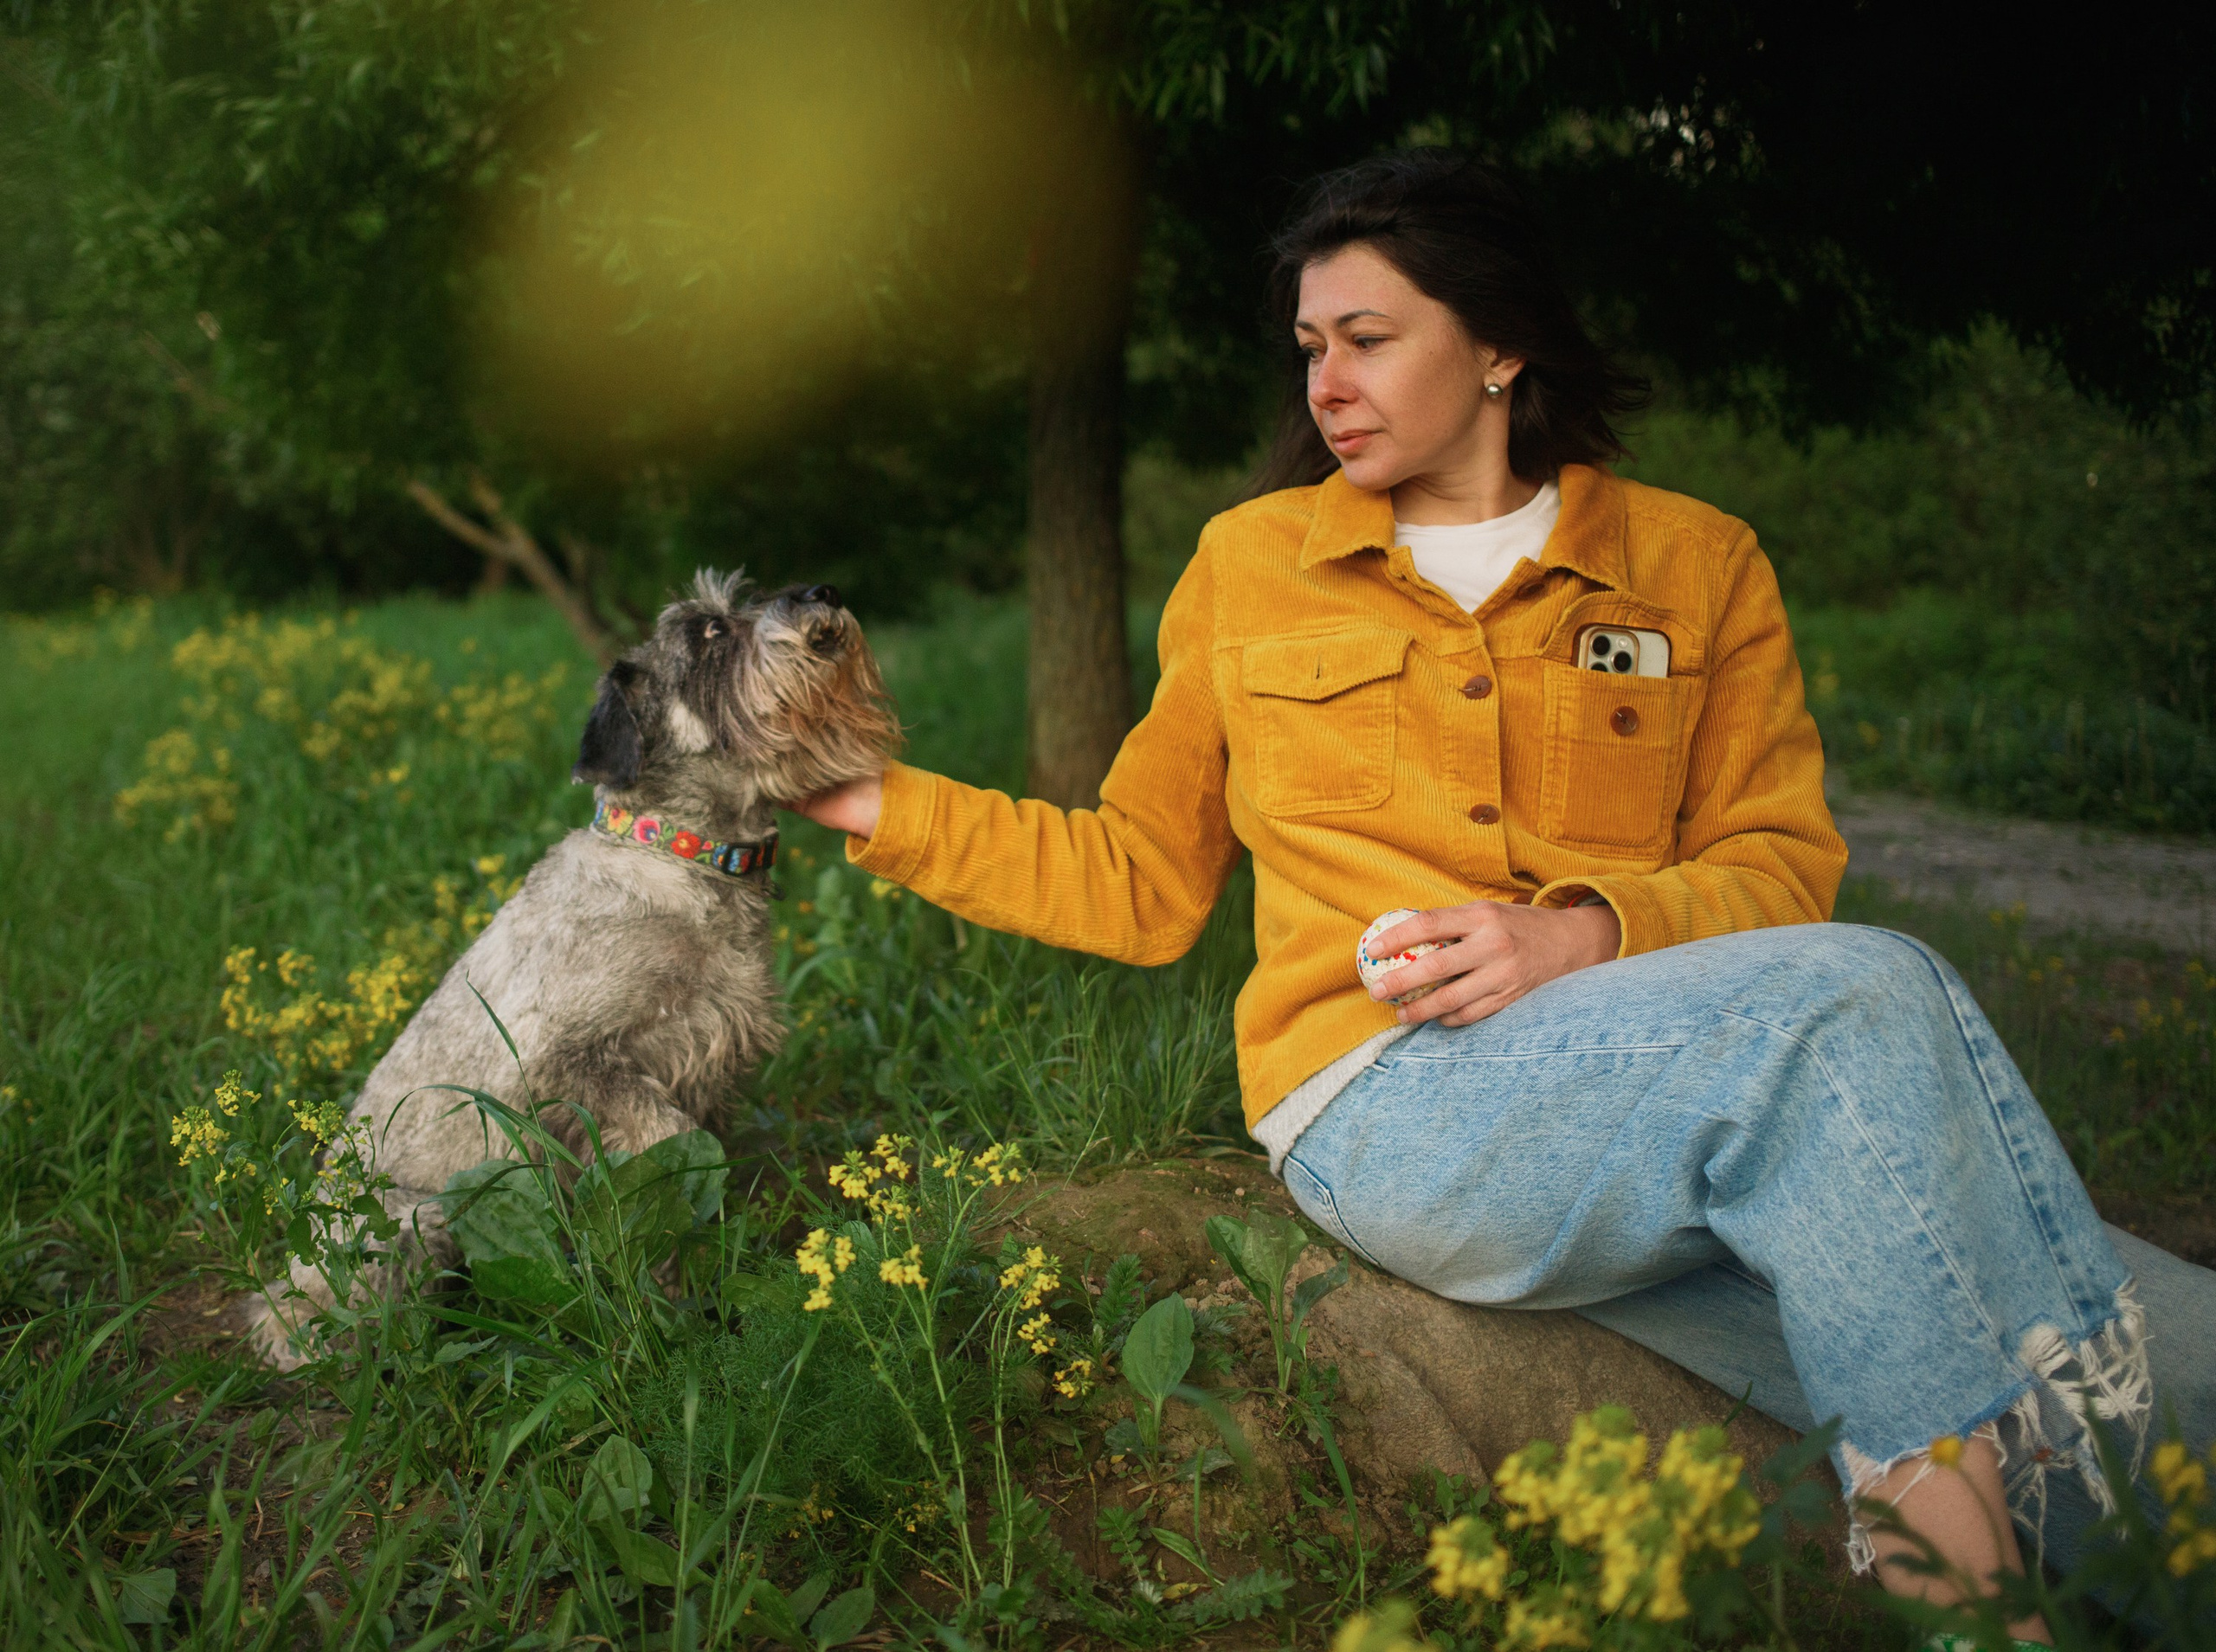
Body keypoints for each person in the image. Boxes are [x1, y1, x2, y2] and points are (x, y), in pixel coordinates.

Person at [792, 150, 2210, 1637]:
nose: (1326, 379)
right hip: (1396, 1103)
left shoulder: (1696, 563)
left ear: (1499, 344)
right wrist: (860, 800)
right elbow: (1140, 882)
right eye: (1309, 345)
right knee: (1875, 992)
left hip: (1695, 1099)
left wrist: (1585, 931)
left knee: (2186, 1380)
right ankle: (1980, 1619)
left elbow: (1783, 867)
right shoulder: (1249, 566)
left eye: (1369, 337)